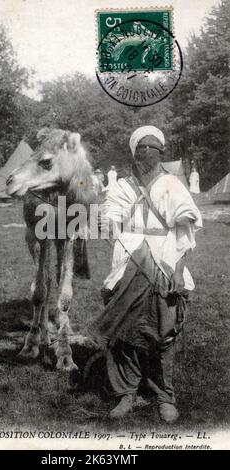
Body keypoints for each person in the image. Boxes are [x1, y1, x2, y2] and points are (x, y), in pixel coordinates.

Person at [88, 125, 202, 422]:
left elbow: (185, 229)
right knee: (124, 331)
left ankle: (164, 395)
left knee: (164, 331)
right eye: (140, 148)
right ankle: (125, 393)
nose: (146, 152)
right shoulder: (122, 185)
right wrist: (110, 228)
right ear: (133, 152)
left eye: (152, 147)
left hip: (166, 254)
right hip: (128, 253)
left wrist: (177, 268)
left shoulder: (173, 185)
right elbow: (110, 218)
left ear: (161, 152)